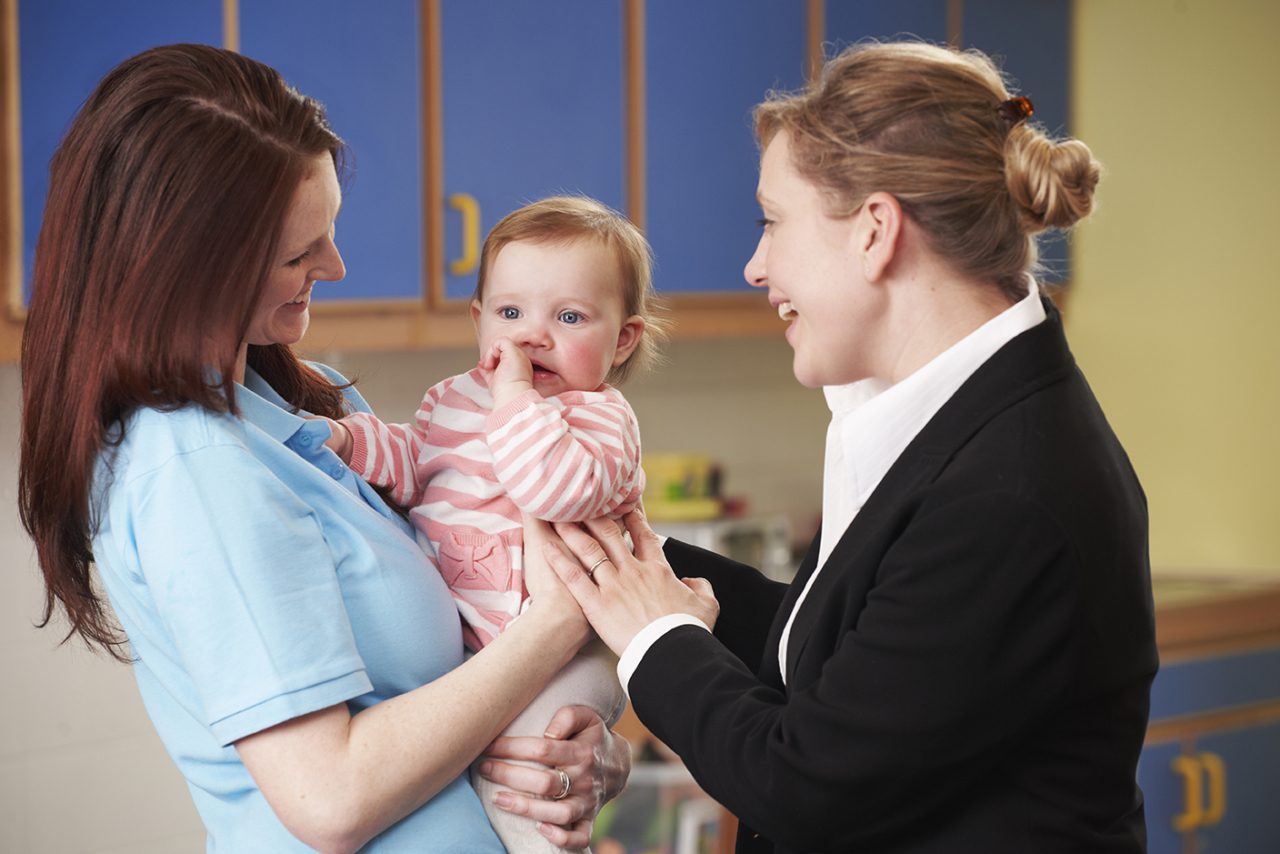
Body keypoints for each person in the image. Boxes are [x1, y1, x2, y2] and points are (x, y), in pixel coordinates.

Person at [542, 41, 1157, 853]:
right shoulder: (956, 418)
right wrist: (633, 559)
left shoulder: (1010, 493)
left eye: (773, 221)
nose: (755, 266)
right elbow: (839, 658)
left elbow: (808, 783)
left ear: (875, 232)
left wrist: (656, 638)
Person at [17, 43, 630, 853]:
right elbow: (329, 799)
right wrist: (557, 625)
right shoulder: (195, 468)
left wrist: (578, 754)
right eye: (298, 254)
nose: (334, 266)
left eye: (327, 235)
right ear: (191, 266)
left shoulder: (309, 407)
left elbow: (459, 675)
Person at [317, 195, 663, 853]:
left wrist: (514, 399)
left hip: (566, 656)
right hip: (483, 650)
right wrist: (353, 442)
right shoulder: (450, 400)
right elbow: (416, 463)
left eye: (569, 316)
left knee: (529, 783)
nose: (533, 335)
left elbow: (553, 487)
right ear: (479, 323)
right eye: (510, 313)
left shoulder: (601, 418)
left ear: (623, 339)